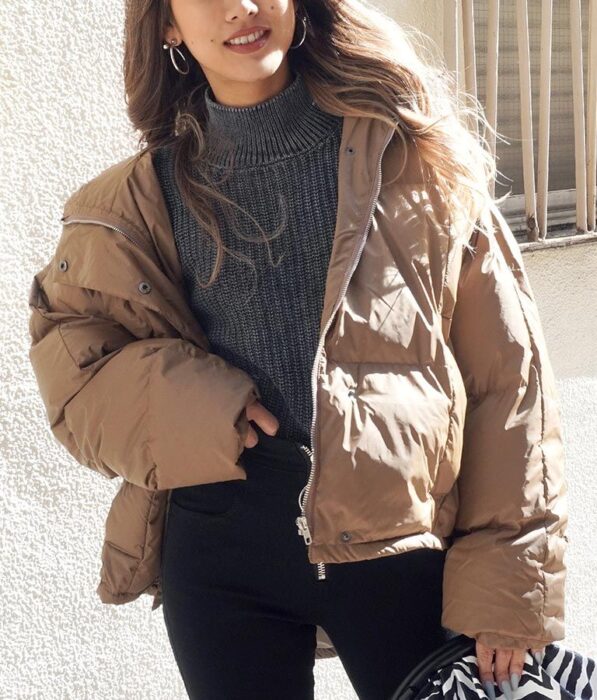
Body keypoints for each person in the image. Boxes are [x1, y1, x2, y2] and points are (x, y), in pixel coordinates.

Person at [27, 1, 569, 699]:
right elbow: (73, 356)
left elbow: (509, 381)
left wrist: (509, 582)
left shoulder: (412, 158)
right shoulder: (134, 201)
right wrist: (194, 405)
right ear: (167, 26)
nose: (241, 8)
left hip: (400, 545)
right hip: (220, 550)